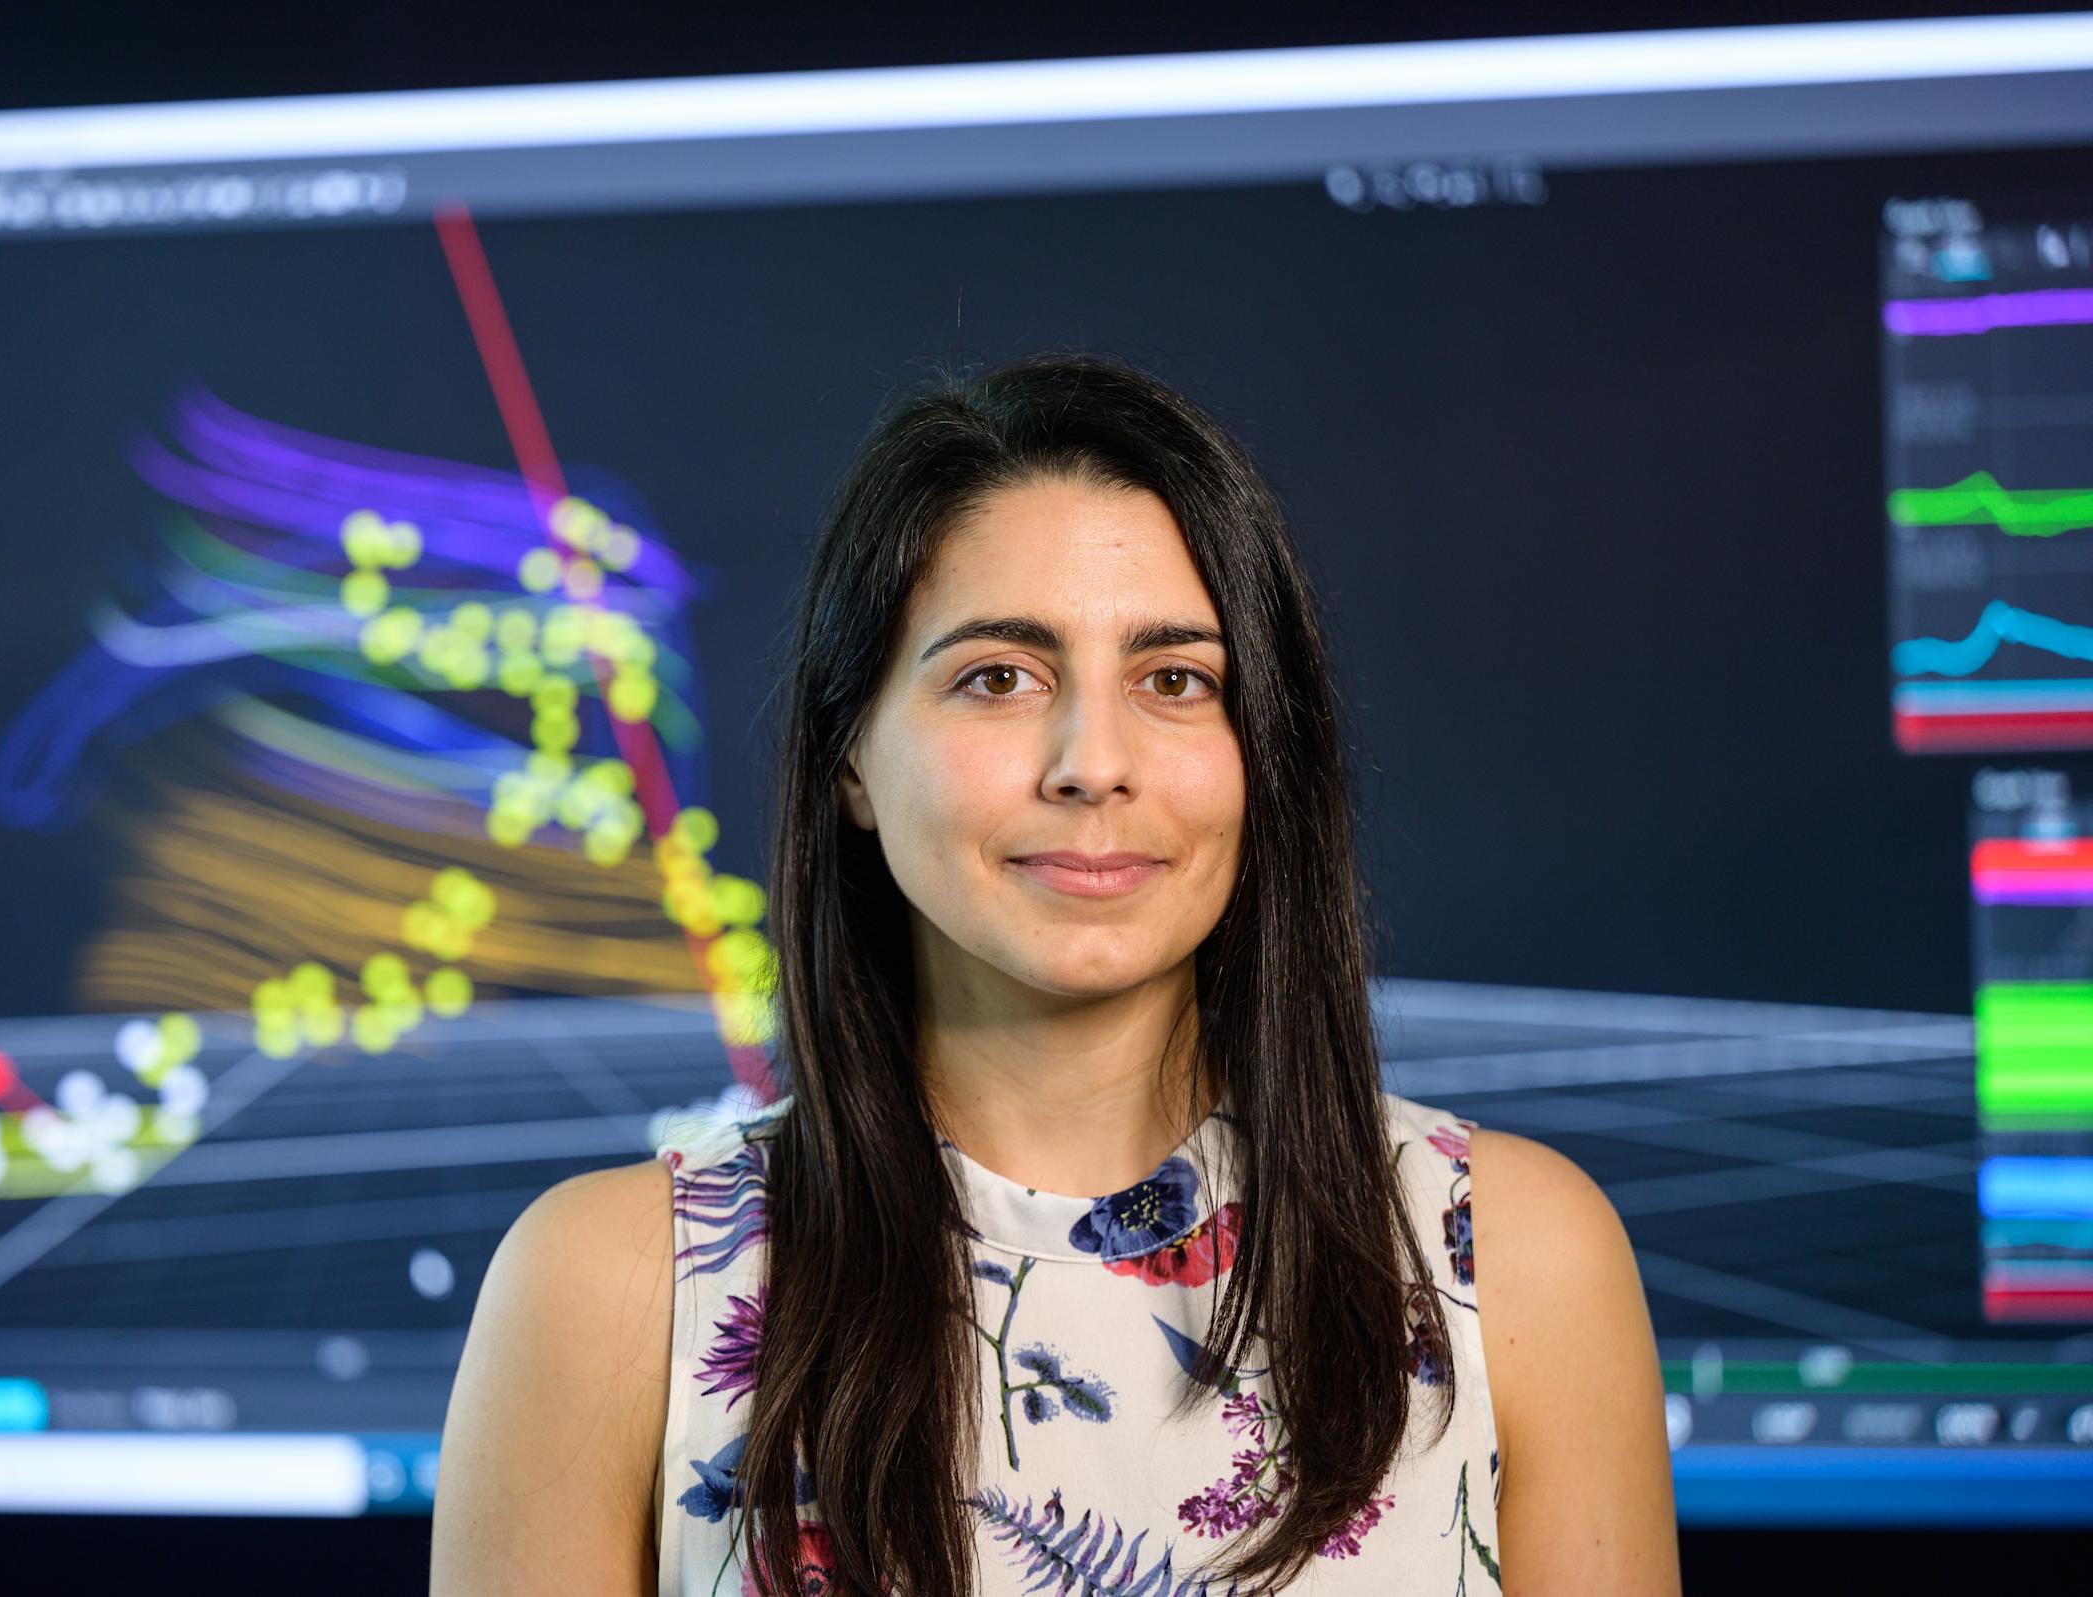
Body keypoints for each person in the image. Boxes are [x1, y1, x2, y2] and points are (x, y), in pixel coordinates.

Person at [430, 352, 1680, 1595]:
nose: (1094, 761)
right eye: (999, 678)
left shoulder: (1516, 1258)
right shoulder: (605, 1288)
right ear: (849, 754)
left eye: (1176, 680)